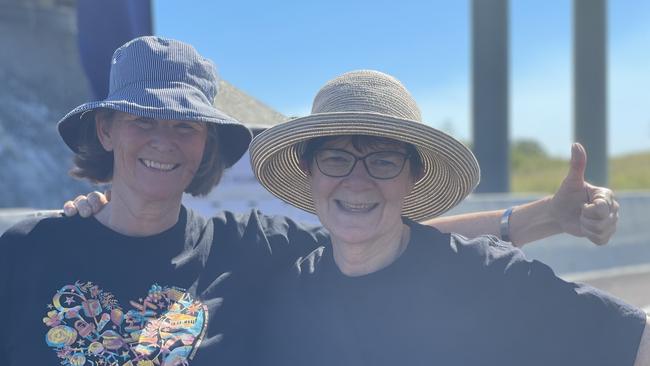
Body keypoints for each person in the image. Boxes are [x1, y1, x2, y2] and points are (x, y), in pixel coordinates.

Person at [0, 36, 620, 366]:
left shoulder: (244, 249)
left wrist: (548, 216)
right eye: (143, 118)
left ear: (207, 145)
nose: (164, 140)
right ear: (106, 131)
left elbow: (382, 234)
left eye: (186, 124)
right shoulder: (25, 251)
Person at [247, 70, 649, 365]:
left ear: (413, 175)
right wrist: (547, 216)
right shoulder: (282, 290)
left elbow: (633, 340)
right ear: (308, 169)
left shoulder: (486, 276)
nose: (357, 181)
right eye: (336, 158)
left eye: (383, 161)